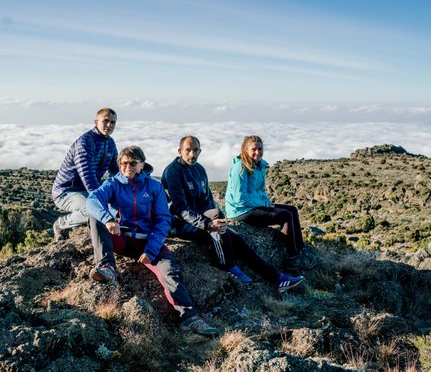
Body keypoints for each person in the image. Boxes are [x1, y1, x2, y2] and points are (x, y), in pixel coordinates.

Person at [86, 146, 220, 337]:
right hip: (122, 240)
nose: (127, 167)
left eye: (133, 163)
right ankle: (107, 266)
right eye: (123, 163)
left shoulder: (154, 187)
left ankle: (190, 318)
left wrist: (151, 250)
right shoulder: (113, 184)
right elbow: (92, 200)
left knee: (170, 270)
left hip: (147, 242)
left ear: (142, 164)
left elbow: (163, 220)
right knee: (95, 217)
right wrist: (108, 219)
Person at [161, 135, 304, 292]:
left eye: (196, 150)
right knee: (223, 231)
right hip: (181, 224)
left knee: (237, 240)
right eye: (188, 150)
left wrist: (216, 220)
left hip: (203, 219)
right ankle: (226, 264)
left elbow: (208, 199)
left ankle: (278, 278)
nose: (192, 154)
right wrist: (208, 224)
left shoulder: (199, 169)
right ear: (179, 151)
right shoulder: (173, 173)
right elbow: (182, 210)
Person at [225, 135, 317, 270]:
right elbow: (240, 199)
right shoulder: (240, 168)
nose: (258, 152)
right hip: (240, 210)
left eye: (260, 149)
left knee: (292, 209)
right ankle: (292, 257)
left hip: (252, 205)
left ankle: (300, 248)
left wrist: (266, 203)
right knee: (285, 216)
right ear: (245, 150)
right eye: (254, 149)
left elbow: (260, 190)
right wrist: (263, 205)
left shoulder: (260, 165)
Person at [51, 108, 119, 239]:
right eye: (106, 121)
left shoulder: (110, 143)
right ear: (96, 122)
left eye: (113, 122)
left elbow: (115, 171)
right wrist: (99, 201)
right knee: (93, 211)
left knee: (113, 207)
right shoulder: (85, 143)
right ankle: (60, 224)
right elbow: (87, 175)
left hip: (85, 191)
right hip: (66, 191)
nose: (109, 125)